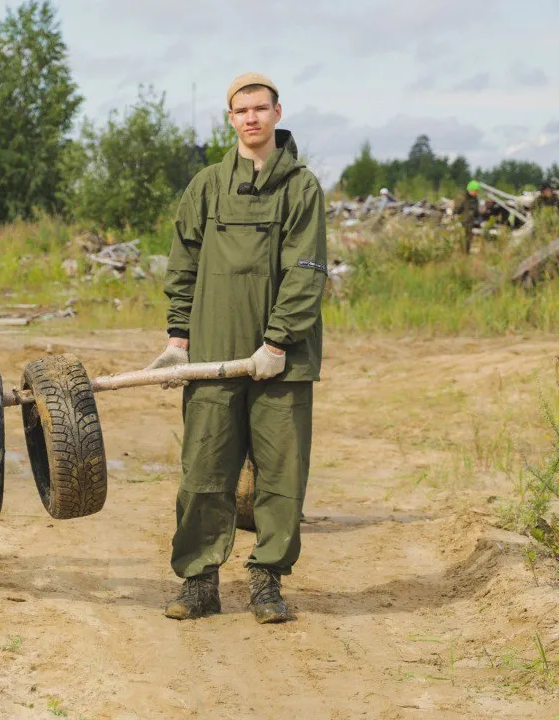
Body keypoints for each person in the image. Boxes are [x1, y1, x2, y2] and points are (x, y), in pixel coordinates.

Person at [144, 72, 326, 624]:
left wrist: (276, 341)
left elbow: (307, 271)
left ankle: (267, 581)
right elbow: (184, 264)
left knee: (281, 476)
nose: (251, 117)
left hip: (283, 361)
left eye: (260, 108)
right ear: (231, 119)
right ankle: (199, 581)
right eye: (241, 110)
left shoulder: (302, 187)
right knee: (205, 469)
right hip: (213, 358)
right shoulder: (206, 185)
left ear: (277, 112)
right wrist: (179, 337)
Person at [454, 180, 481, 253]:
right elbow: (457, 210)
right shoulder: (462, 198)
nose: (477, 193)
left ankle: (466, 253)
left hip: (470, 223)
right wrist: (455, 217)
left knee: (468, 239)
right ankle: (460, 252)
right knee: (461, 239)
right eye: (476, 191)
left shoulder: (476, 200)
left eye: (477, 191)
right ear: (471, 190)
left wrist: (480, 219)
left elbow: (476, 212)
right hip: (462, 222)